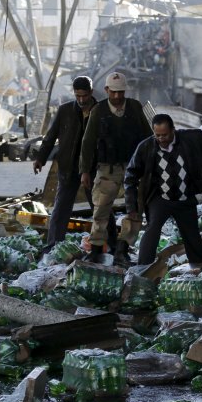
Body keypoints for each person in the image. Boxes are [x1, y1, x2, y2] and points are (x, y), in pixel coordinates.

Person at [124, 113, 202, 267]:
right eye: (157, 135)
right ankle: (142, 270)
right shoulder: (146, 147)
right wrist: (131, 206)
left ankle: (200, 269)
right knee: (151, 232)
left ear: (173, 130)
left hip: (185, 199)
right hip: (161, 199)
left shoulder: (192, 138)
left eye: (164, 135)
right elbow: (130, 176)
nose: (161, 139)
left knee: (192, 237)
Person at [79, 72, 152, 265]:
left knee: (134, 210)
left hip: (133, 168)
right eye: (114, 92)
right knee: (101, 209)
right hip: (107, 168)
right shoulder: (99, 110)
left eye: (121, 92)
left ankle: (123, 249)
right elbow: (87, 143)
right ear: (106, 91)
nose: (118, 97)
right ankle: (95, 249)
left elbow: (148, 138)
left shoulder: (135, 108)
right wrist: (85, 170)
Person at [33, 76, 97, 250]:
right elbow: (51, 136)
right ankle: (53, 245)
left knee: (99, 209)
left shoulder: (100, 111)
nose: (82, 100)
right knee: (61, 208)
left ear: (91, 92)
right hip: (68, 167)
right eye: (78, 96)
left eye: (84, 96)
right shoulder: (65, 111)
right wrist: (41, 158)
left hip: (92, 169)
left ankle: (109, 245)